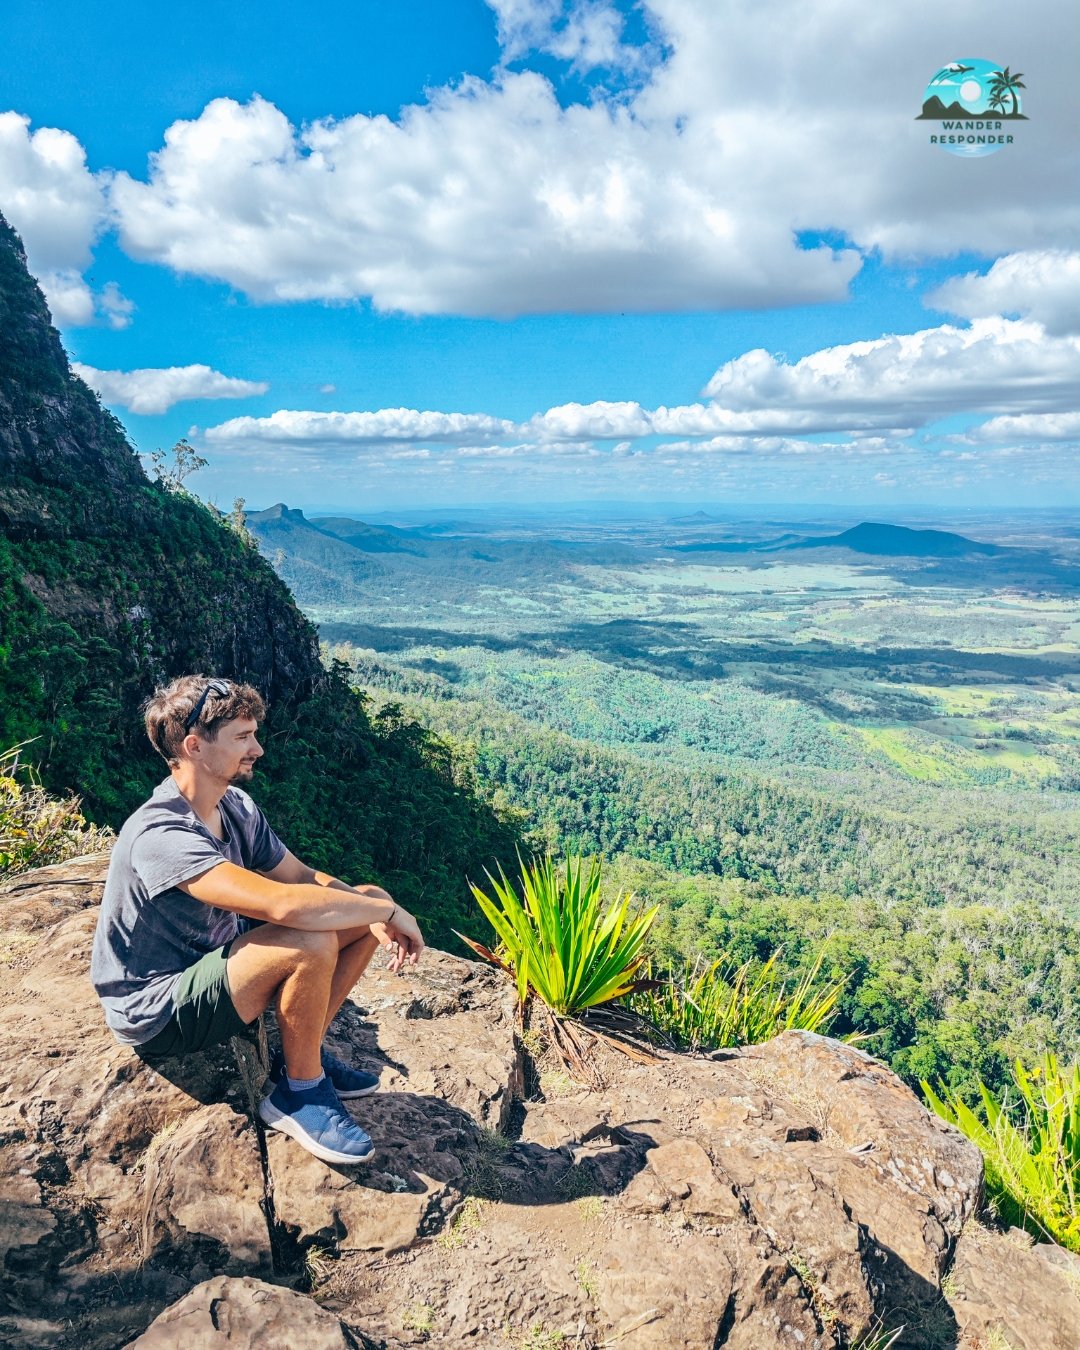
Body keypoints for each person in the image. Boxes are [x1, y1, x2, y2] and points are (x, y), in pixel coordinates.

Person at [90, 674, 425, 1166]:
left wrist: (373, 905)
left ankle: (297, 1056)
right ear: (194, 746)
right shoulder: (160, 833)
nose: (259, 749)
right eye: (243, 738)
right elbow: (284, 906)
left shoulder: (234, 805)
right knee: (308, 941)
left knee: (361, 902)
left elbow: (301, 876)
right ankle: (298, 1093)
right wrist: (389, 912)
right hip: (158, 1005)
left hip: (214, 957)